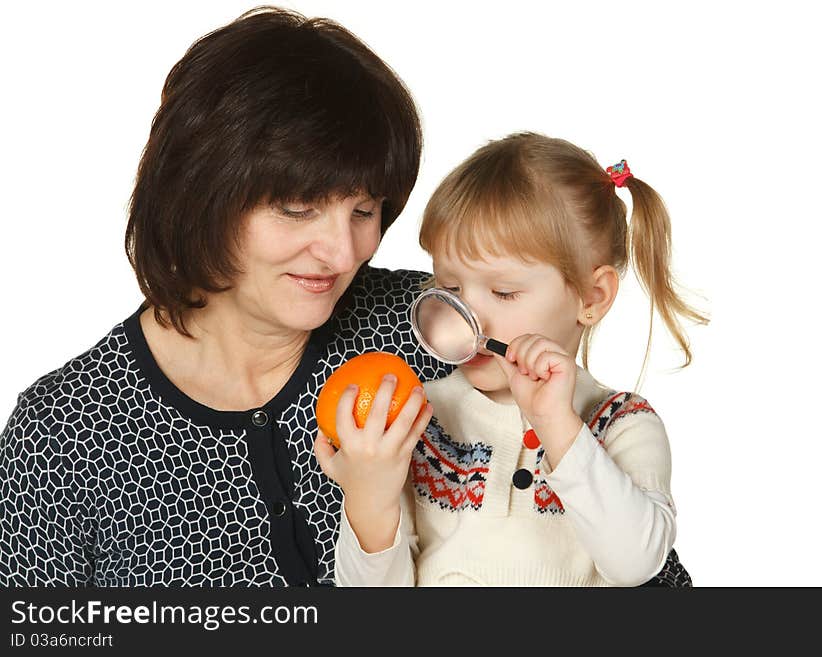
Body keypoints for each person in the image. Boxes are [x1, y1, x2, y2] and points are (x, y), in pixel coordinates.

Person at [0, 7, 451, 587]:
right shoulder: (63, 434)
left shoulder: (428, 325)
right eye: (297, 209)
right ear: (202, 195)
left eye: (363, 212)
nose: (343, 254)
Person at [316, 132, 707, 586]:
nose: (469, 317)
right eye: (451, 289)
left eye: (503, 292)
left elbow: (636, 563)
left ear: (593, 297)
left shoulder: (621, 423)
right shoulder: (421, 418)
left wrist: (557, 423)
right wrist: (371, 501)